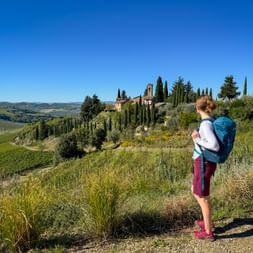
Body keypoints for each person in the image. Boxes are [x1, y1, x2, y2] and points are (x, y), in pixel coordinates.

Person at [191, 95, 219, 241]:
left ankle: (208, 231)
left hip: (204, 163)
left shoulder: (205, 124)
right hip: (202, 162)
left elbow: (214, 145)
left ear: (197, 109)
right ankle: (208, 222)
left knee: (203, 197)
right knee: (196, 192)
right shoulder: (210, 121)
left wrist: (197, 140)